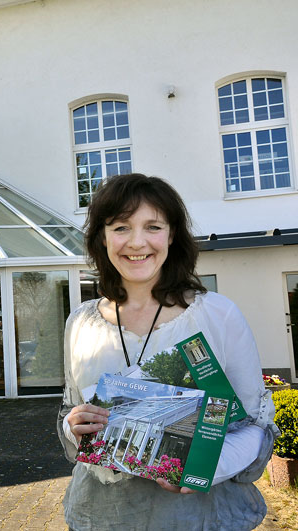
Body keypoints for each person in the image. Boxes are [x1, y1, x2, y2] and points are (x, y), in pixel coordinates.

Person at [57, 173, 278, 530]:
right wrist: (74, 427)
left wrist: (203, 467)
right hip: (103, 517)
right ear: (102, 236)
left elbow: (254, 426)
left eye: (153, 226)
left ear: (172, 235)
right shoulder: (80, 322)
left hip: (201, 518)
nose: (137, 242)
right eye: (121, 227)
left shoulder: (217, 315)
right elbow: (70, 412)